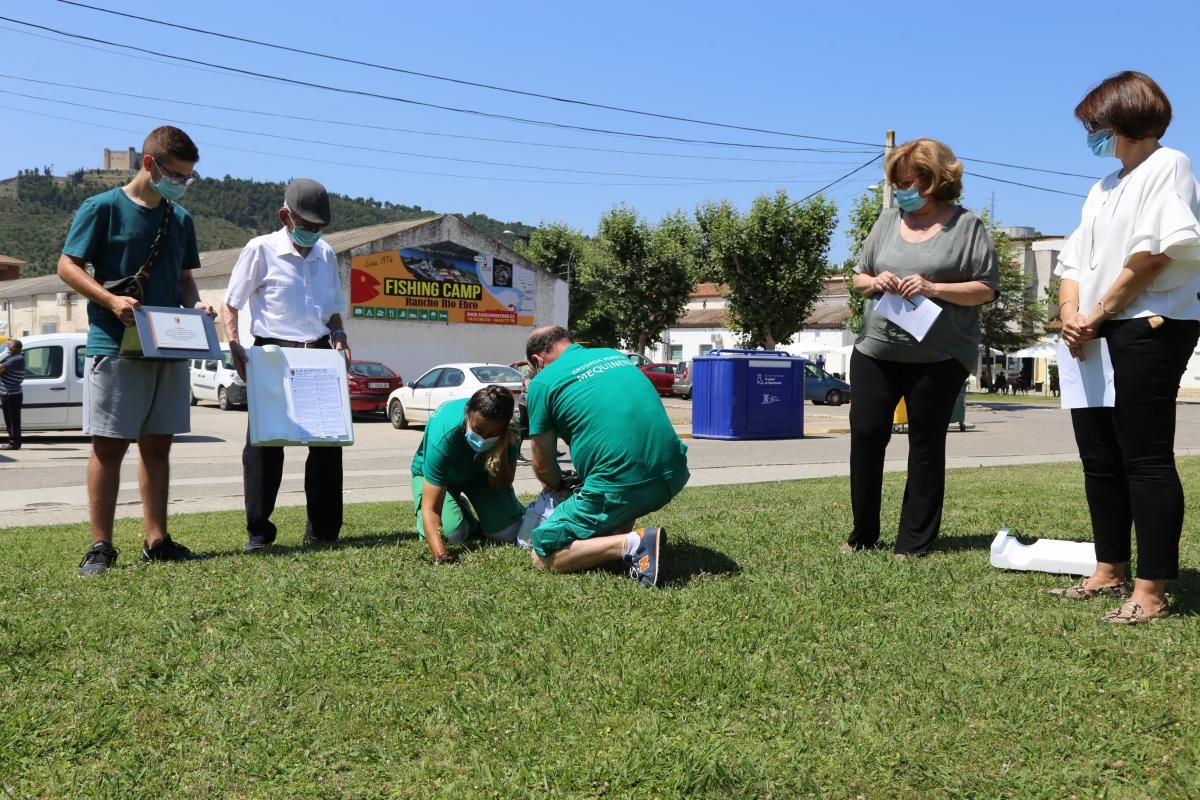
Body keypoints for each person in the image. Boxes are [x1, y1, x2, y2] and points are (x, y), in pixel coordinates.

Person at [1051, 71, 1200, 624]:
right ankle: (1108, 567)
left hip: (1147, 324)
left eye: (1097, 125)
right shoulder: (1103, 186)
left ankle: (1151, 589)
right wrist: (1071, 314)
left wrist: (1098, 312)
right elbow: (1072, 261)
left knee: (1144, 455)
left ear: (1123, 119)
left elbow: (1155, 255)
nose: (1093, 135)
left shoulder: (1169, 165)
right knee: (1099, 457)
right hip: (1092, 329)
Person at [58, 126, 214, 576]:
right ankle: (100, 546)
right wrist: (110, 300)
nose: (182, 183)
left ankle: (157, 539)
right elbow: (67, 265)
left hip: (168, 345)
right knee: (109, 446)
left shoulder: (180, 219)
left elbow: (184, 278)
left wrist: (196, 304)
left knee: (158, 445)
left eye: (188, 177)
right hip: (115, 345)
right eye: (177, 175)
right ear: (150, 164)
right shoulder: (101, 208)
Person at [845, 138, 999, 558]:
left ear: (936, 179)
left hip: (939, 355)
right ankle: (863, 533)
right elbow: (859, 277)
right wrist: (875, 283)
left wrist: (934, 287)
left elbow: (986, 289)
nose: (900, 190)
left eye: (909, 182)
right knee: (866, 435)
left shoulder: (967, 227)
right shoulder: (887, 221)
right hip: (877, 348)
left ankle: (913, 541)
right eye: (896, 183)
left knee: (926, 444)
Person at [222, 178, 350, 552]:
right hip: (272, 354)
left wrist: (340, 337)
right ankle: (259, 534)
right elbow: (231, 303)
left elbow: (333, 313)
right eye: (306, 225)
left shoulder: (326, 254)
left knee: (327, 445)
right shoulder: (259, 249)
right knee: (264, 448)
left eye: (319, 227)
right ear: (285, 216)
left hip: (318, 354)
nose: (312, 233)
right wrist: (234, 345)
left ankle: (323, 531)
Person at [523, 326, 690, 587]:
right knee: (610, 503)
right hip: (673, 473)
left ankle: (633, 544)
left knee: (542, 551)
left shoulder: (542, 382)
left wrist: (559, 488)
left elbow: (543, 465)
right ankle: (623, 540)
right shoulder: (614, 356)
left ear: (537, 361)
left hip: (622, 486)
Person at [411, 386, 524, 563]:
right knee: (453, 534)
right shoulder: (444, 429)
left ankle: (472, 509)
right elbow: (430, 508)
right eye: (478, 430)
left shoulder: (512, 427)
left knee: (507, 532)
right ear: (467, 413)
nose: (483, 439)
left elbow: (501, 484)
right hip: (440, 480)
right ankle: (463, 513)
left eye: (493, 434)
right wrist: (442, 556)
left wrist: (501, 448)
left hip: (480, 477)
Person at [0, 338, 24, 451]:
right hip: (7, 393)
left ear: (15, 347)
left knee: (13, 420)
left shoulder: (17, 358)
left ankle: (15, 443)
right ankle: (13, 441)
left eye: (9, 345)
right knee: (9, 420)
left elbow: (1, 368)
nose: (7, 347)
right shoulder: (11, 357)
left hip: (12, 394)